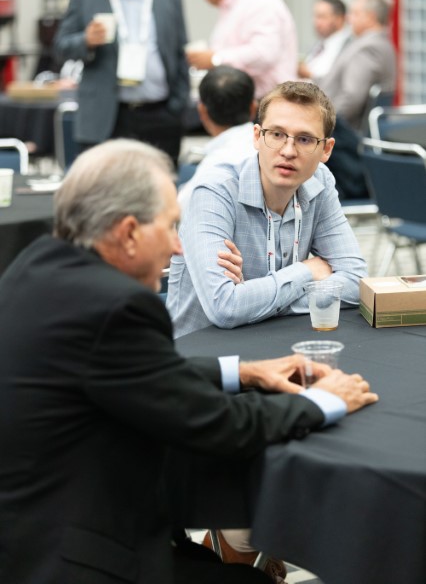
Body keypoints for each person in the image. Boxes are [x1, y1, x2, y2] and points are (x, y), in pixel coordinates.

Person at [0, 138, 379, 584]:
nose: (179, 248)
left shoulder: (37, 263)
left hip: (28, 528)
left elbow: (130, 375)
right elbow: (218, 424)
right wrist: (324, 401)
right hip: (77, 553)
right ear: (128, 233)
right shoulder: (117, 306)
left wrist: (243, 372)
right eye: (169, 227)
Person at [167, 81, 368, 338]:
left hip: (277, 342)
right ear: (257, 137)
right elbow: (225, 307)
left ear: (326, 150)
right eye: (276, 135)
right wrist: (305, 272)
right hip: (202, 350)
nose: (288, 151)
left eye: (304, 139)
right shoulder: (215, 192)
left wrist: (254, 301)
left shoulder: (320, 181)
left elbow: (355, 282)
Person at [54, 0, 189, 165]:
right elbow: (60, 47)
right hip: (107, 115)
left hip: (160, 113)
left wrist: (177, 106)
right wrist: (85, 40)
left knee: (160, 183)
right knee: (104, 184)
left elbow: (180, 52)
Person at [186, 0, 298, 100]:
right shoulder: (233, 7)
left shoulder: (260, 2)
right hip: (246, 103)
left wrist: (215, 59)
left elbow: (263, 54)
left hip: (266, 104)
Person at [178, 65, 257, 214]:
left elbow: (180, 212)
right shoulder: (270, 147)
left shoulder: (215, 166)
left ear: (202, 111)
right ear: (253, 108)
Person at [317, 0, 397, 132]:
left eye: (355, 13)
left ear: (370, 17)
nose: (348, 18)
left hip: (342, 133)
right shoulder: (380, 44)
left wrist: (321, 124)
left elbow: (351, 98)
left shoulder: (367, 48)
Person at [298, 0, 351, 82]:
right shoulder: (319, 44)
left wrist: (310, 75)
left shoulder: (349, 47)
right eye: (315, 16)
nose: (316, 22)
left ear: (339, 19)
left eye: (322, 17)